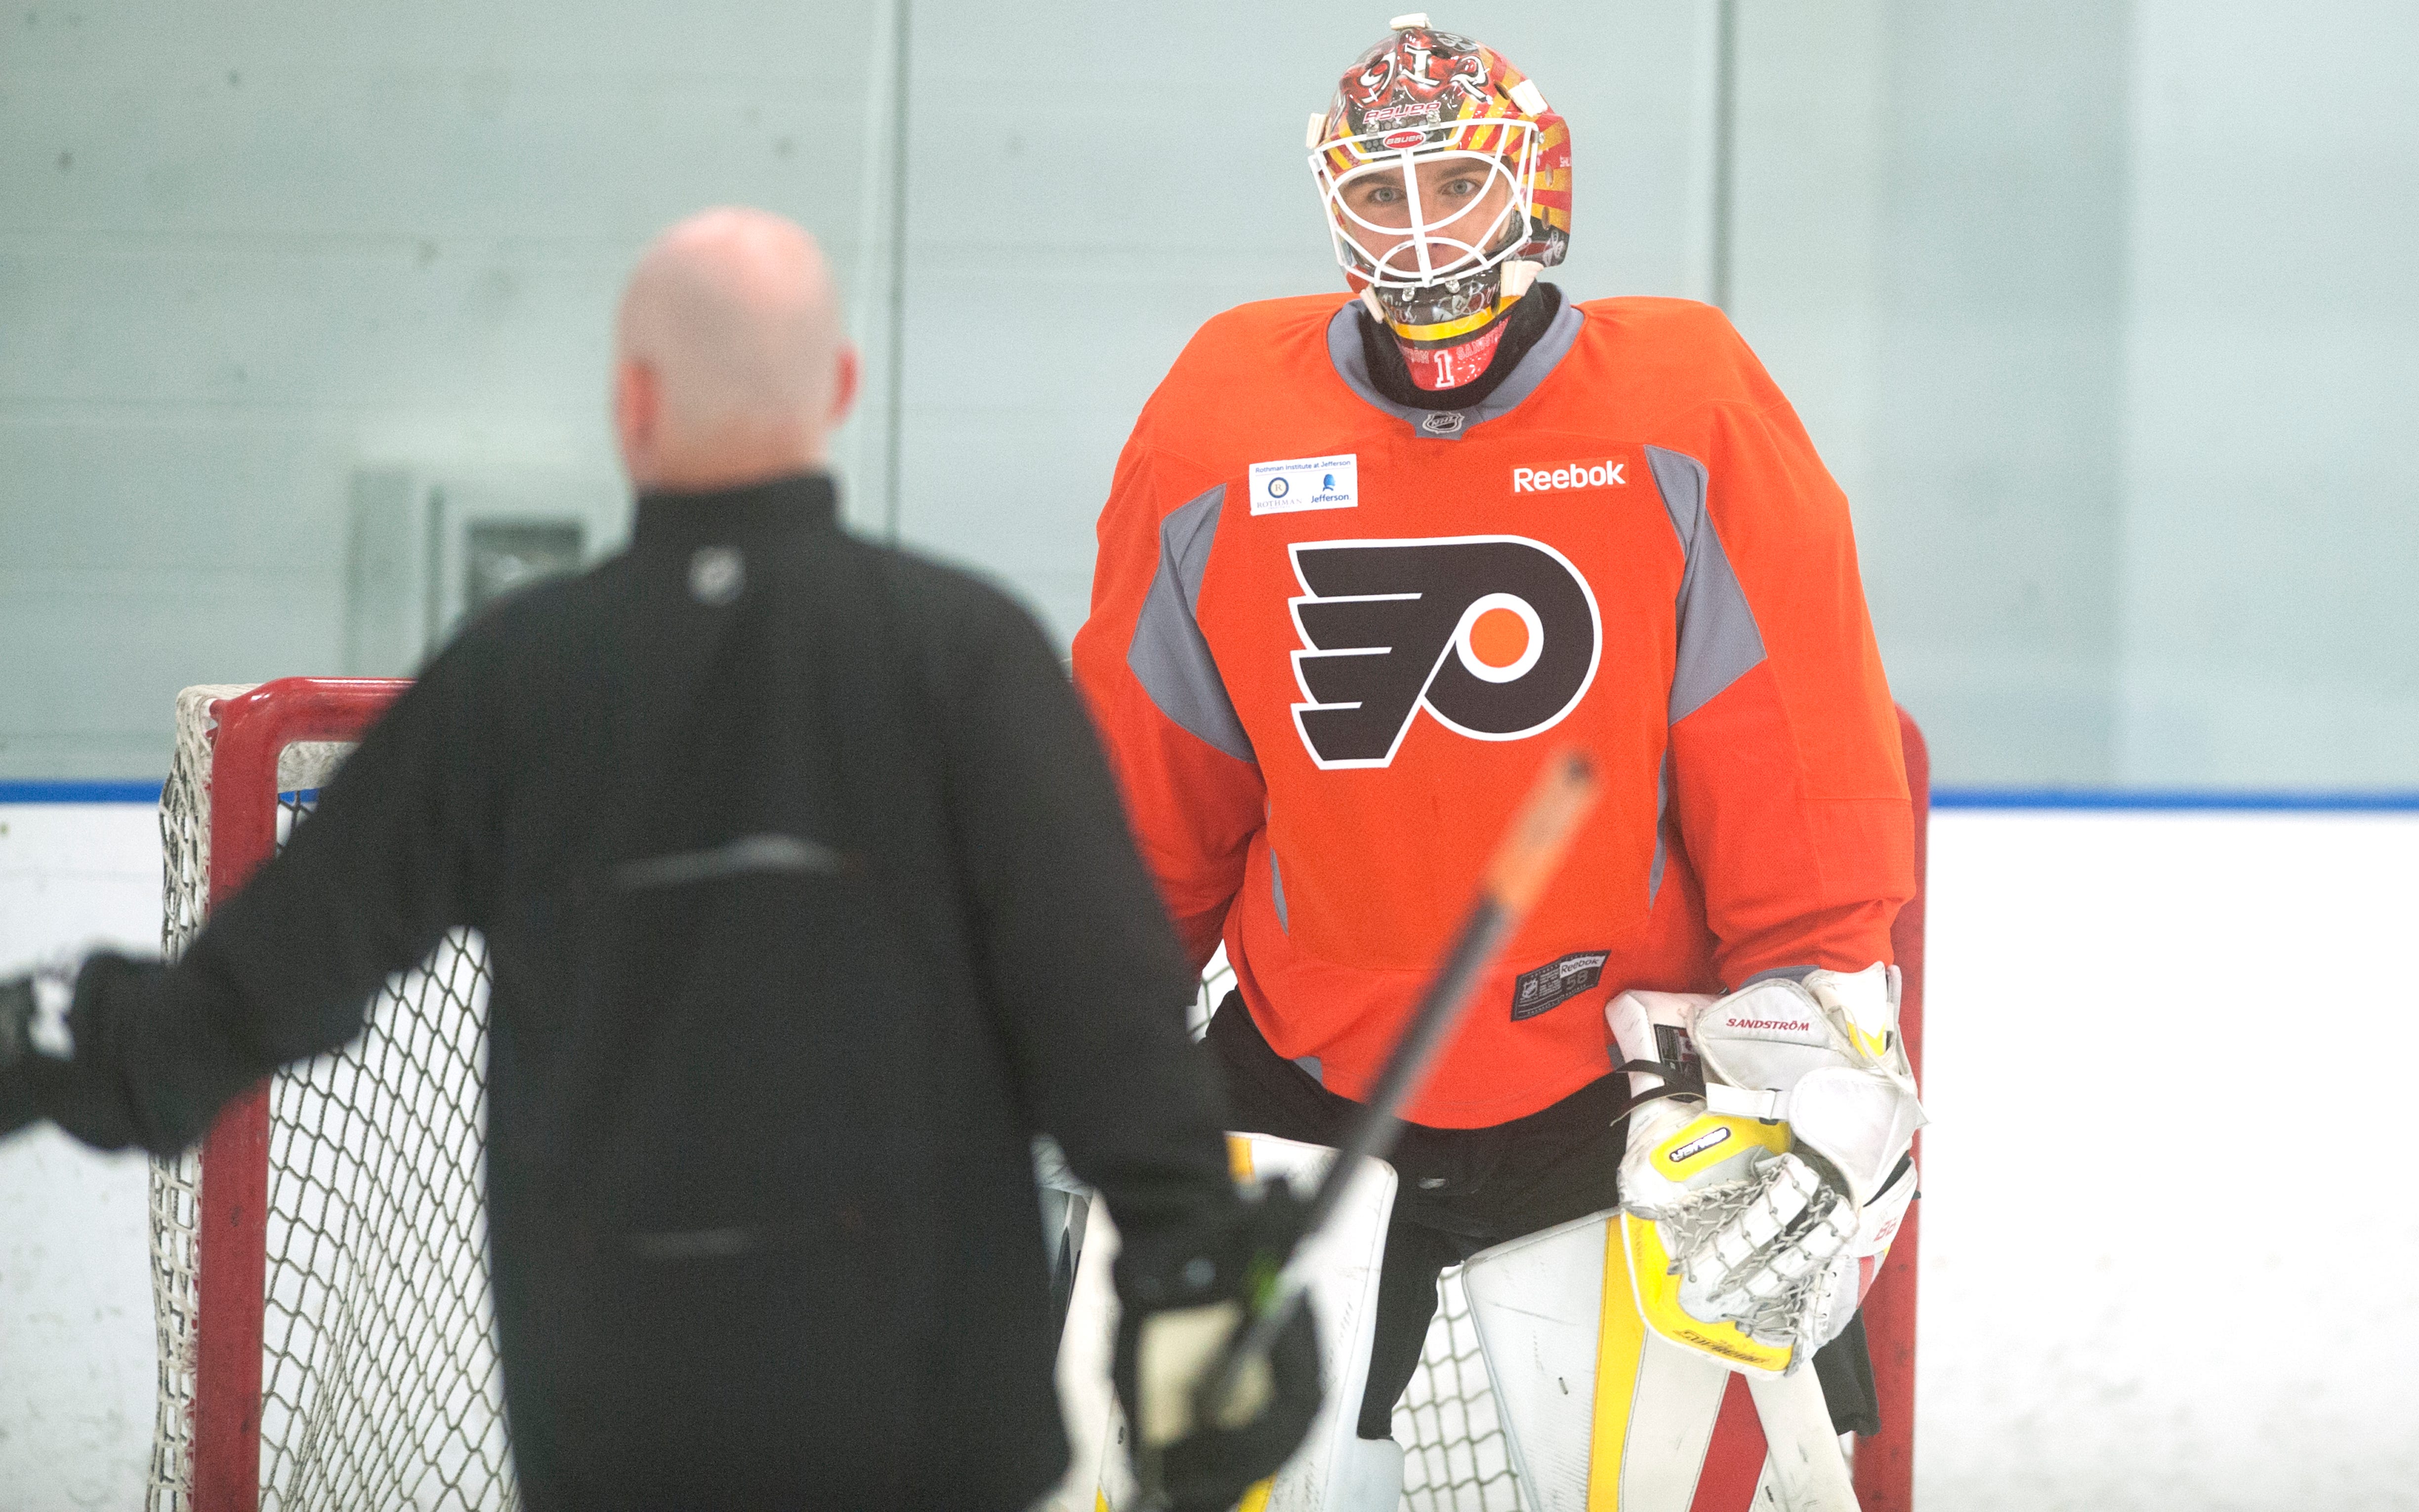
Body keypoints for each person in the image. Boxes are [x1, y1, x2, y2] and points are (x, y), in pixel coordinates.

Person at [0, 207, 1318, 1512]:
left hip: (623, 1425)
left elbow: (264, 982)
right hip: (933, 1419)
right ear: (843, 390)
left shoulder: (517, 679)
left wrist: (74, 1043)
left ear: (631, 402)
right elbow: (1108, 1012)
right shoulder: (965, 655)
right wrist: (1195, 1274)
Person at [1070, 16, 1919, 1508]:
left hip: (1611, 1099)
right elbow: (1155, 794)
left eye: (1453, 183)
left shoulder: (1689, 405)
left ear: (1537, 189)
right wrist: (1087, 1037)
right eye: (1378, 194)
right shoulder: (1219, 421)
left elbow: (1791, 758)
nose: (1415, 233)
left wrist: (1826, 1032)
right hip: (1304, 1080)